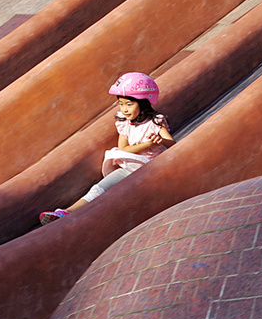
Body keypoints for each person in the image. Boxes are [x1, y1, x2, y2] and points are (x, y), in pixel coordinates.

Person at [40, 72, 175, 225]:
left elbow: (172, 144)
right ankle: (67, 212)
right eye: (121, 104)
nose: (124, 109)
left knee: (115, 197)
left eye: (129, 104)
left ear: (144, 102)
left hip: (148, 168)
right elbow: (123, 148)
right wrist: (148, 145)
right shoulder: (125, 122)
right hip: (129, 166)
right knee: (99, 188)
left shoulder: (155, 122)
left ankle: (74, 214)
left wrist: (161, 140)